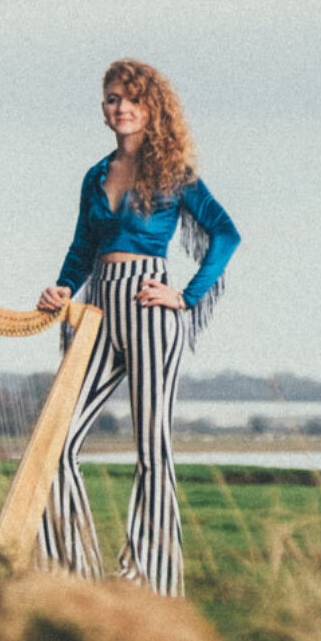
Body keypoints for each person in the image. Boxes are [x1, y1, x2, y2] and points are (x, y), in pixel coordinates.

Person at [36, 58, 239, 596]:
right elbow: (82, 249)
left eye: (131, 99)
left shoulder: (173, 172)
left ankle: (151, 578)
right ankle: (72, 570)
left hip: (150, 308)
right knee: (54, 442)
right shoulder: (95, 175)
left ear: (152, 108)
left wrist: (185, 297)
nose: (121, 107)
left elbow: (226, 234)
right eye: (112, 98)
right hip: (97, 310)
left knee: (152, 448)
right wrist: (62, 288)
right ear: (103, 109)